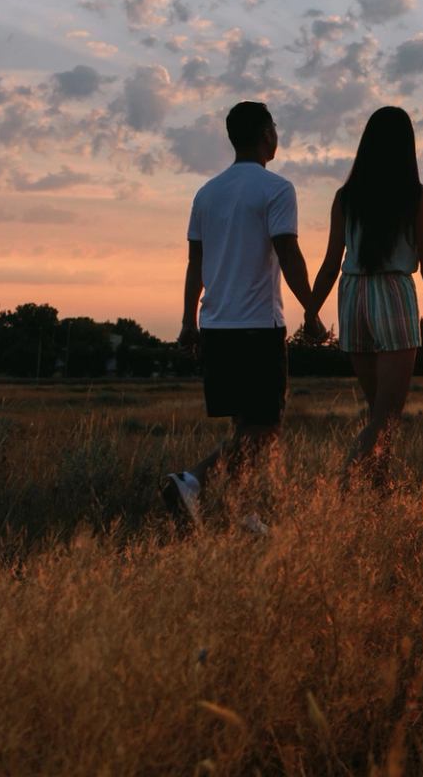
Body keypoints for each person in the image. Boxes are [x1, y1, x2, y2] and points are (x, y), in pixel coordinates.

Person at [161, 101, 320, 530]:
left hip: (216, 326)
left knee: (244, 428)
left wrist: (188, 322)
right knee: (265, 430)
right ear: (266, 133)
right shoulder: (276, 189)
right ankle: (191, 480)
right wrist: (311, 309)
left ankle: (244, 516)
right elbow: (288, 252)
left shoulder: (207, 193)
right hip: (256, 327)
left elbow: (195, 264)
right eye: (274, 127)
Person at [308, 106, 423, 481]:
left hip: (352, 296)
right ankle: (344, 482)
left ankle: (379, 496)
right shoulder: (419, 196)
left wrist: (311, 312)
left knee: (379, 411)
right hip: (393, 293)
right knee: (388, 415)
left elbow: (331, 262)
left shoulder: (346, 197)